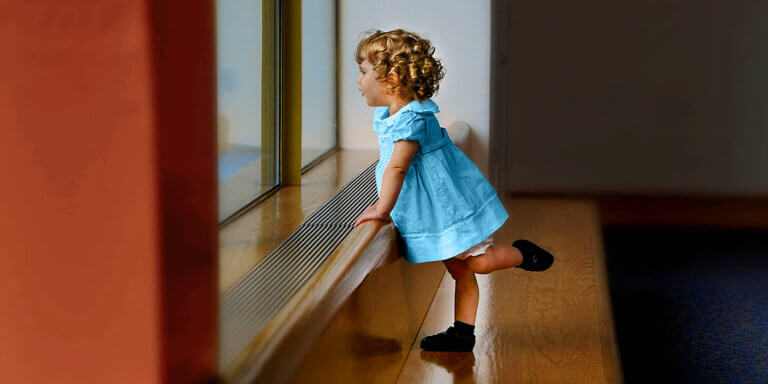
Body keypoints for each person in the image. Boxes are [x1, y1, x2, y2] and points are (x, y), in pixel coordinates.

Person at [352, 29, 555, 352]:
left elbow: (398, 168)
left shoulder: (411, 120)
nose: (358, 81)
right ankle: (463, 333)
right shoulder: (391, 115)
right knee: (459, 268)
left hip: (448, 207)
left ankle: (522, 253)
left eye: (363, 72)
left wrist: (381, 209)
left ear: (390, 78)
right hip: (430, 209)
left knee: (478, 263)